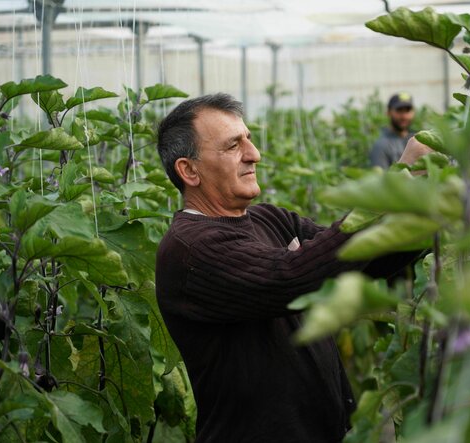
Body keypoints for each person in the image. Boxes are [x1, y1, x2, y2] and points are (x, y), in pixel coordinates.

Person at [155, 93, 431, 443]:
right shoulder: (190, 249)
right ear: (189, 170)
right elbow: (291, 275)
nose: (253, 154)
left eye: (249, 140)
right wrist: (398, 185)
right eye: (233, 146)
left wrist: (428, 209)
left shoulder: (269, 218)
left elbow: (361, 261)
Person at [369, 92, 416, 169]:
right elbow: (381, 178)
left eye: (407, 110)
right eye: (399, 110)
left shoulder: (416, 138)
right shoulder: (381, 145)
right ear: (388, 112)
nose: (404, 116)